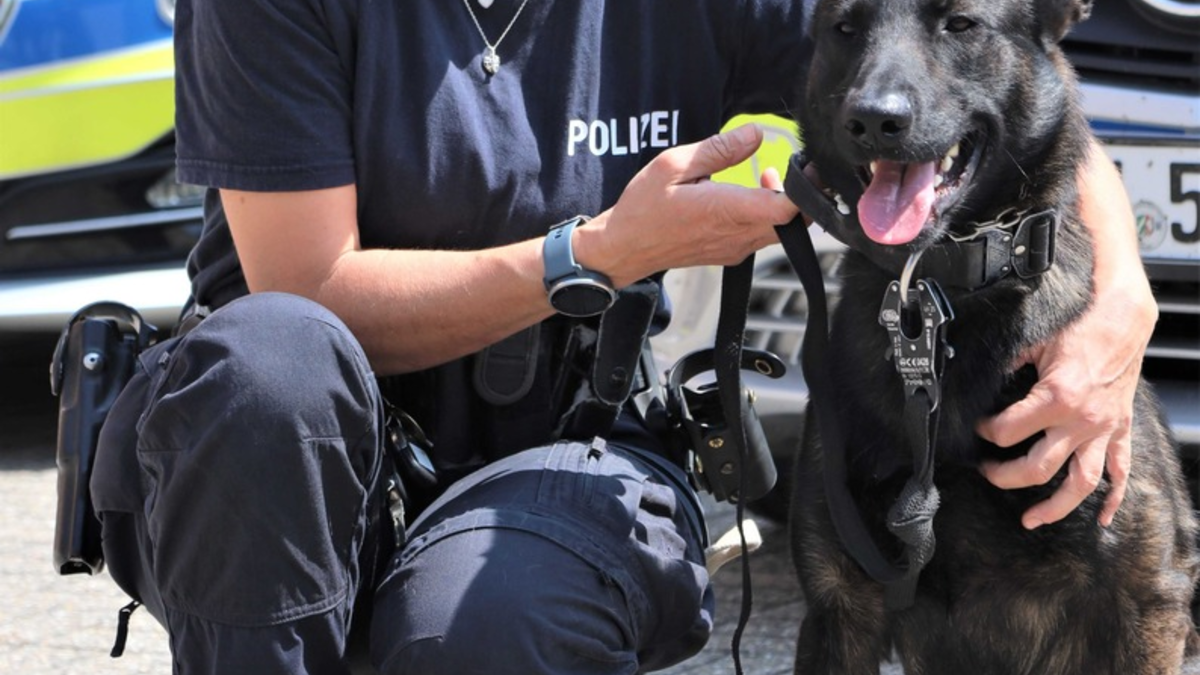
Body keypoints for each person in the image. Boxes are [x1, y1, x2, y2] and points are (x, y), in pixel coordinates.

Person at [89, 0, 1156, 673]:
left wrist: (1118, 304)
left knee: (486, 627)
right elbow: (308, 287)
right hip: (295, 454)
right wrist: (592, 256)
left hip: (559, 448)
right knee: (267, 361)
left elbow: (984, 86)